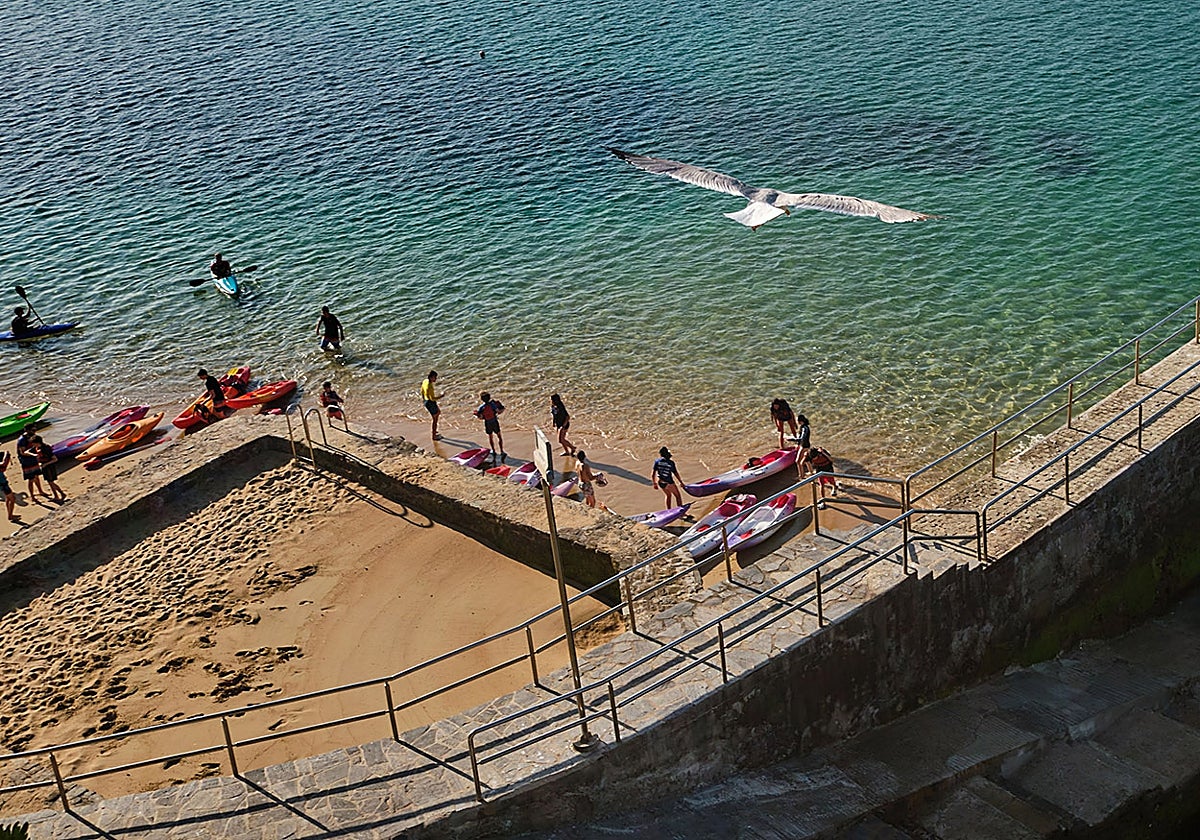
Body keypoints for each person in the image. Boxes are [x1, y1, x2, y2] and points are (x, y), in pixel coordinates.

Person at [474, 391, 506, 461]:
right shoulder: (493, 404)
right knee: (499, 436)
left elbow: (481, 417)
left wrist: (477, 415)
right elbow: (498, 411)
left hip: (487, 423)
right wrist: (503, 408)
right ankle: (502, 451)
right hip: (494, 422)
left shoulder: (481, 408)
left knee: (490, 437)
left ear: (482, 399)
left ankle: (493, 451)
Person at [16, 426, 45, 500]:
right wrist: (34, 455)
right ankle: (32, 496)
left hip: (33, 459)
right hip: (26, 461)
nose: (34, 431)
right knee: (31, 479)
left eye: (35, 430)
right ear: (27, 430)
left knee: (37, 476)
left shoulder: (32, 437)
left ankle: (40, 491)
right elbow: (22, 453)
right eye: (33, 430)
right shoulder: (22, 440)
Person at [421, 371, 443, 440]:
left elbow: (422, 390)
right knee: (435, 419)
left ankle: (434, 431)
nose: (436, 379)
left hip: (426, 400)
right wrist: (441, 396)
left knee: (438, 412)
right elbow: (432, 398)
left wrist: (423, 399)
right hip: (430, 402)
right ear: (431, 377)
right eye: (435, 377)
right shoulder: (429, 386)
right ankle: (434, 436)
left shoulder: (425, 381)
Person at [0, 451, 17, 521]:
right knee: (12, 499)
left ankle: (10, 514)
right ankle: (10, 516)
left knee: (8, 498)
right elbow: (3, 464)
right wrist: (6, 455)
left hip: (2, 485)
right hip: (3, 484)